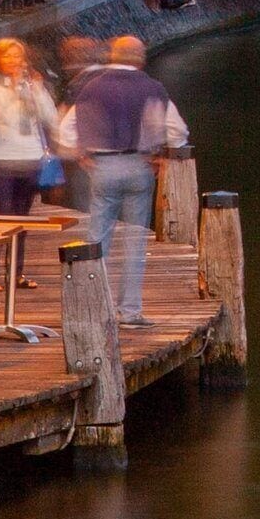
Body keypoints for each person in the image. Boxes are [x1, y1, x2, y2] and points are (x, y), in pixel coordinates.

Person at [58, 36, 189, 331]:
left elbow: (66, 132)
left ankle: (93, 306)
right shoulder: (152, 88)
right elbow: (177, 131)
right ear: (140, 58)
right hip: (139, 166)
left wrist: (81, 154)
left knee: (97, 236)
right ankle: (129, 311)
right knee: (135, 241)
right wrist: (163, 156)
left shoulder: (91, 87)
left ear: (111, 56)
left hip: (103, 166)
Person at [0, 38, 58, 216]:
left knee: (23, 216)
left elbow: (51, 117)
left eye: (17, 56)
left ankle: (18, 245)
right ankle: (6, 244)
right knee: (4, 214)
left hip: (31, 159)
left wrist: (37, 91)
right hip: (2, 161)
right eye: (8, 56)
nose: (14, 61)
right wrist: (12, 91)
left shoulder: (32, 87)